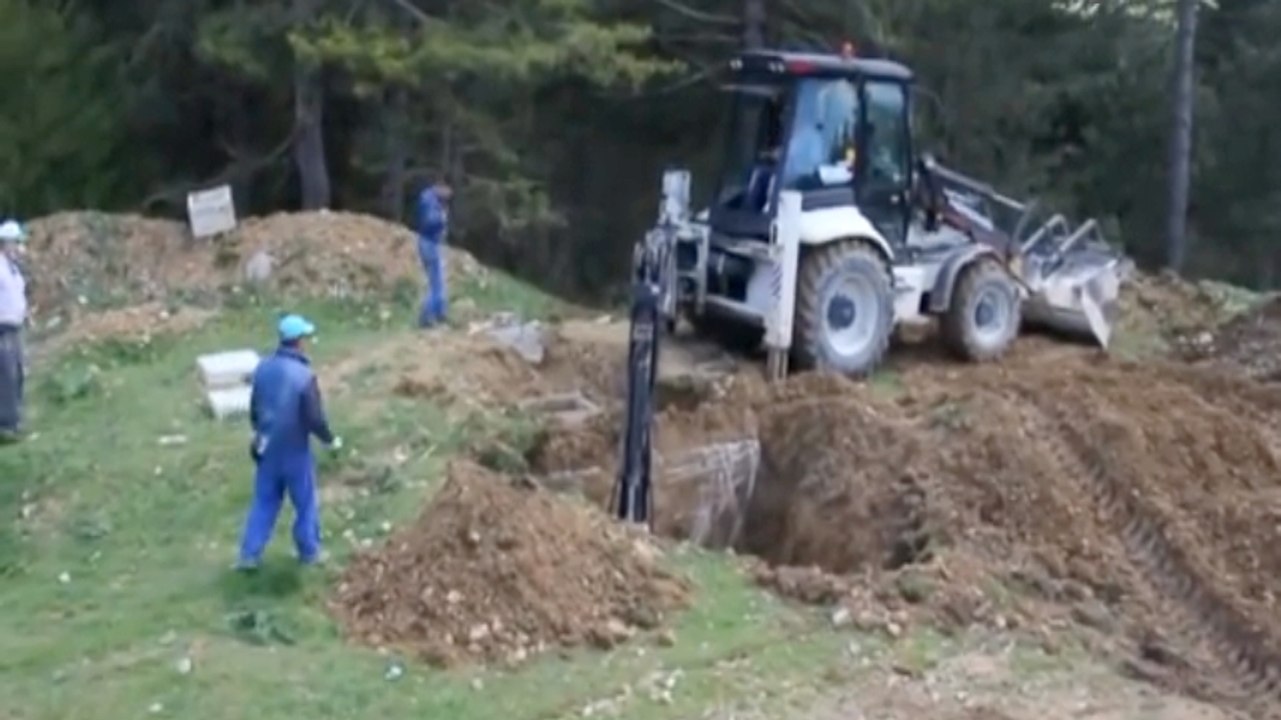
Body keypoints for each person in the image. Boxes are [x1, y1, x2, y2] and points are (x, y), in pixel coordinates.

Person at [236, 314, 341, 570]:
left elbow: (255, 408)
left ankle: (249, 555)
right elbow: (314, 417)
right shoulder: (304, 376)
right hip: (295, 450)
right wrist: (329, 440)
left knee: (264, 502)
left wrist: (260, 433)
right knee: (305, 503)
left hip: (267, 448)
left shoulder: (263, 369)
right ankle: (309, 551)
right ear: (299, 341)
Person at [0, 220, 28, 443]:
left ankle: (15, 421)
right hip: (2, 330)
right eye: (16, 243)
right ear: (6, 243)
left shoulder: (14, 270)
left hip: (15, 328)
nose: (20, 247)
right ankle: (6, 426)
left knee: (17, 374)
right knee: (6, 376)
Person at [415, 180, 453, 328]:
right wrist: (442, 218)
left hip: (431, 242)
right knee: (435, 283)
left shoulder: (430, 199)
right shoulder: (430, 202)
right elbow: (430, 222)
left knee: (439, 281)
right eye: (447, 191)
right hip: (429, 243)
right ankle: (427, 317)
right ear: (440, 187)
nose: (449, 195)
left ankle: (439, 313)